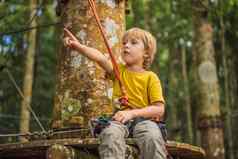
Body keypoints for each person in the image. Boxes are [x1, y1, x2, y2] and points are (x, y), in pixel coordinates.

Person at [64, 27, 167, 159]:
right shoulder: (119, 71)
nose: (126, 46)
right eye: (124, 43)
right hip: (119, 121)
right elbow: (100, 58)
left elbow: (159, 109)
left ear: (146, 53)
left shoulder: (151, 77)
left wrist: (131, 113)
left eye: (133, 42)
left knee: (152, 136)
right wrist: (79, 47)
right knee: (110, 133)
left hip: (144, 121)